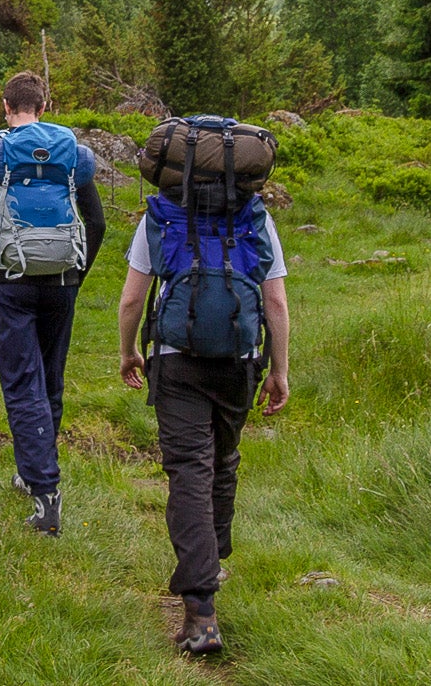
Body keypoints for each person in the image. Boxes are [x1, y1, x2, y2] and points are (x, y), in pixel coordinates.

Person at [116, 188, 290, 655]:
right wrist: (279, 371)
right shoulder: (255, 216)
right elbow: (274, 301)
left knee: (190, 468)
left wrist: (129, 351)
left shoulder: (161, 214)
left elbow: (133, 299)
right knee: (223, 457)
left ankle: (201, 610)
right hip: (241, 359)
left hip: (177, 360)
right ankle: (214, 560)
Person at [0, 72, 108, 535]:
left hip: (12, 278)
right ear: (45, 105)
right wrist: (78, 274)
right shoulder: (72, 153)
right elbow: (96, 222)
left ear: (6, 106)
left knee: (23, 382)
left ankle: (44, 493)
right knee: (51, 375)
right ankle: (33, 472)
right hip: (62, 277)